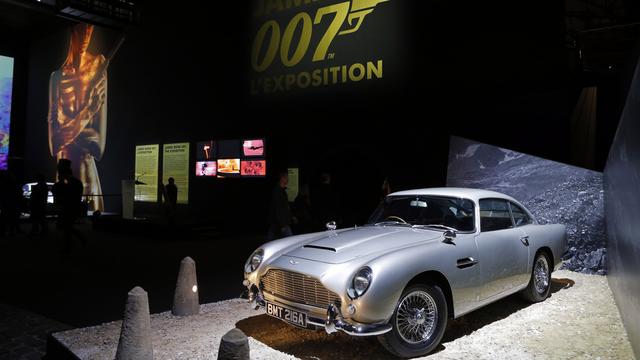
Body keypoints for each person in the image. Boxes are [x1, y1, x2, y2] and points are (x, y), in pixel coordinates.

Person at [48, 23, 109, 212]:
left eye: (90, 29)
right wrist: (88, 112)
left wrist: (66, 129)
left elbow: (98, 148)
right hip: (64, 179)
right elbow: (54, 144)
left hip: (89, 180)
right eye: (82, 28)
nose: (86, 34)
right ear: (72, 30)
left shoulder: (99, 69)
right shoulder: (57, 78)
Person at [52, 160, 85, 250]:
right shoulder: (75, 182)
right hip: (71, 207)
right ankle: (71, 243)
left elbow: (62, 194)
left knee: (67, 227)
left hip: (68, 208)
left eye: (60, 170)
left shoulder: (68, 183)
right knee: (68, 227)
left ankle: (68, 246)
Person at [267, 171, 293, 240]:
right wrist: (282, 224)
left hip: (279, 222)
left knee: (272, 237)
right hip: (280, 222)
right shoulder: (277, 191)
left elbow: (284, 207)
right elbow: (277, 208)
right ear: (282, 178)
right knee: (290, 239)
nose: (288, 180)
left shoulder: (282, 191)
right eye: (287, 178)